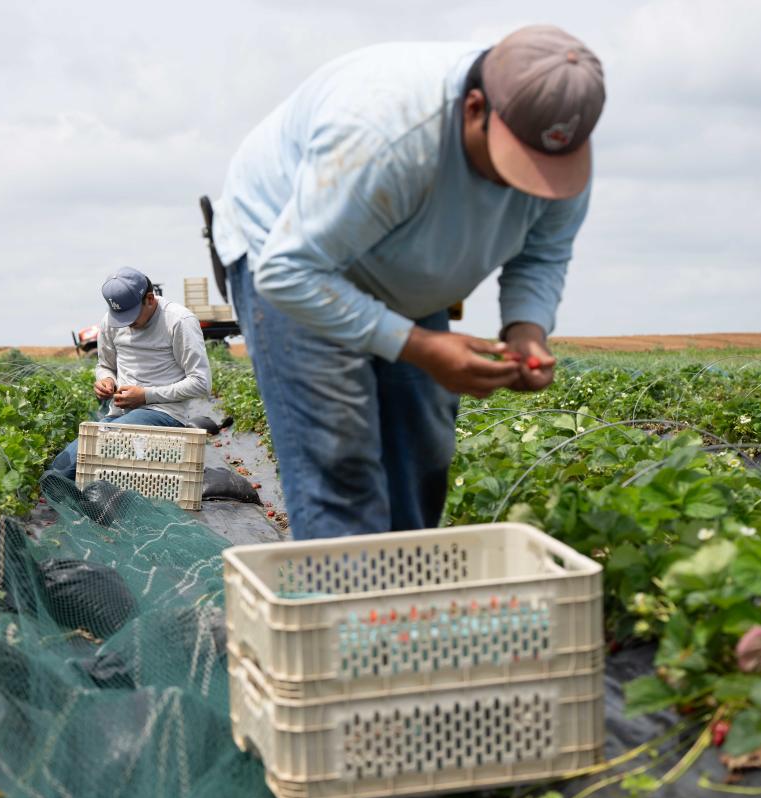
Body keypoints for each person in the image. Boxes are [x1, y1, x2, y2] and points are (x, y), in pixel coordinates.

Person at [210, 24, 605, 540]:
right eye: (514, 165)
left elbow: (544, 254)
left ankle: (399, 599)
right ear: (474, 109)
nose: (521, 186)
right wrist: (420, 346)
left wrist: (527, 330)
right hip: (291, 259)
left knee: (421, 456)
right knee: (341, 464)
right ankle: (343, 613)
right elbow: (289, 273)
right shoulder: (384, 134)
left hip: (400, 266)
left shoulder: (556, 145)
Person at [50, 267, 211, 479]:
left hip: (163, 414)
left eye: (131, 317)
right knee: (61, 469)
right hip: (119, 416)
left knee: (97, 448)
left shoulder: (179, 321)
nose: (126, 324)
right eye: (120, 317)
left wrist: (145, 395)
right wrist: (106, 379)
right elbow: (105, 365)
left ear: (150, 299)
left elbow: (201, 382)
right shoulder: (110, 321)